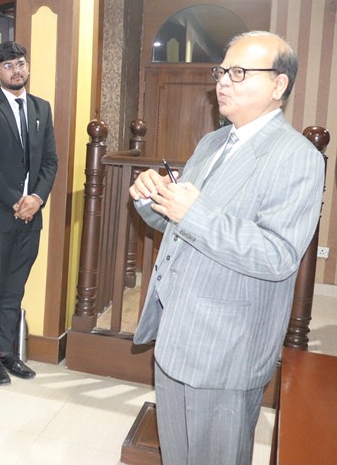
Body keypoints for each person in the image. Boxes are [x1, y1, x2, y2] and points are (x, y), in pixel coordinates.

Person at [129, 31, 324, 465]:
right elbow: (180, 225)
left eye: (239, 72)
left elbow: (277, 256)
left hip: (226, 349)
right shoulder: (213, 143)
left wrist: (193, 211)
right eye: (222, 71)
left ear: (278, 85)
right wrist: (151, 198)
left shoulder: (297, 156)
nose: (222, 81)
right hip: (176, 333)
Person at [0, 41, 57, 384]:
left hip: (31, 216)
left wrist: (36, 198)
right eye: (8, 66)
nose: (16, 71)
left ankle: (8, 352)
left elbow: (50, 161)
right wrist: (14, 200)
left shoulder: (41, 108)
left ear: (28, 67)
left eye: (21, 63)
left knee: (14, 287)